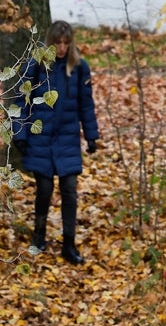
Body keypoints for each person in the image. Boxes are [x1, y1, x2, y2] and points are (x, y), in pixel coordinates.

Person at [12, 20, 100, 266]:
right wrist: (19, 133)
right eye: (57, 43)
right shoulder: (36, 65)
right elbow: (20, 100)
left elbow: (86, 104)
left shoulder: (79, 67)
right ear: (51, 42)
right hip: (40, 137)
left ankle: (68, 244)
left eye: (66, 43)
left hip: (68, 138)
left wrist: (91, 135)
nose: (61, 48)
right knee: (44, 190)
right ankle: (38, 237)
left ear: (70, 43)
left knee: (70, 191)